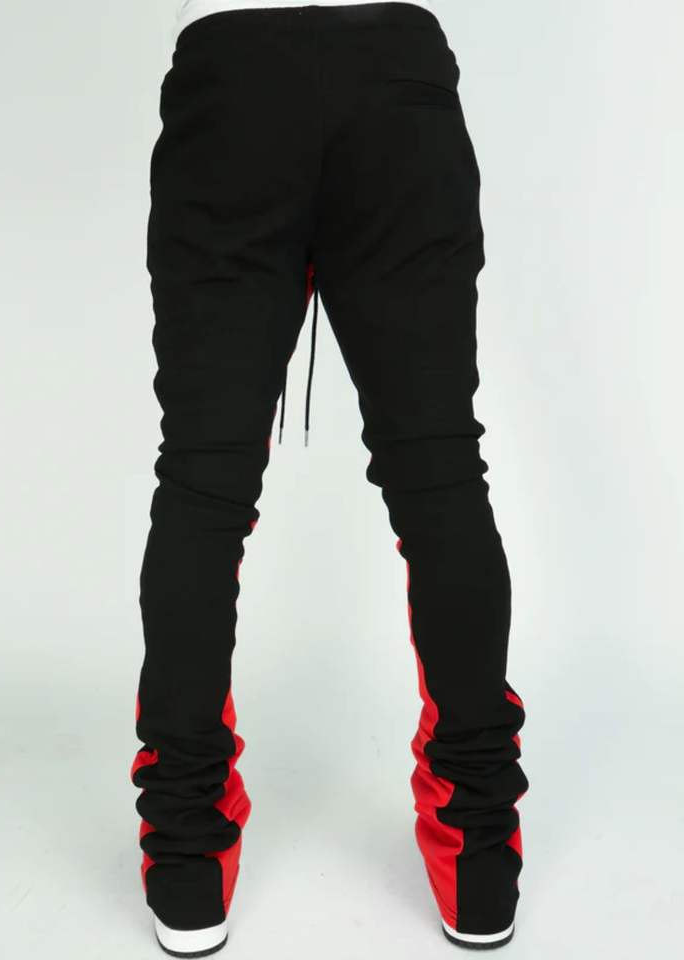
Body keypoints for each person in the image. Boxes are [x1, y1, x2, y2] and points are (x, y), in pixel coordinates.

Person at [130, 1, 529, 955]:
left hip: (230, 83)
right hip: (399, 87)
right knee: (439, 470)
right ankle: (479, 855)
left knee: (202, 483)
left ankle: (187, 861)